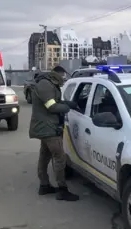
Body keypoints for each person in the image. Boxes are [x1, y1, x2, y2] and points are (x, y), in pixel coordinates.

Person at [29, 65, 79, 201]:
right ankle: (62, 190)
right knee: (59, 157)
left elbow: (54, 101)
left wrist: (67, 102)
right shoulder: (45, 84)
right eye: (63, 75)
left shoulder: (49, 83)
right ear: (58, 74)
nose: (64, 78)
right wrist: (67, 107)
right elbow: (51, 106)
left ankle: (44, 186)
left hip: (46, 127)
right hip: (48, 128)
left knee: (45, 156)